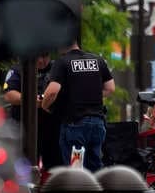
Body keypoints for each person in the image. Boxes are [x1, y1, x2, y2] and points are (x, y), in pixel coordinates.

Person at [41, 42, 115, 172]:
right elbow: (110, 88)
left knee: (76, 169)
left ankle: (78, 192)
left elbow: (52, 91)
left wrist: (45, 105)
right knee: (95, 167)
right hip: (97, 124)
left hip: (75, 125)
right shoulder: (97, 60)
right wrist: (90, 95)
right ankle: (95, 192)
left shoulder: (62, 62)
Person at [3, 52, 63, 170]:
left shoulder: (58, 68)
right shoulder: (18, 69)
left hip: (52, 129)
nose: (41, 60)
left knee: (55, 169)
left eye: (45, 56)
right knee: (24, 168)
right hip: (24, 129)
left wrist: (45, 100)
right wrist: (31, 100)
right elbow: (9, 95)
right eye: (38, 56)